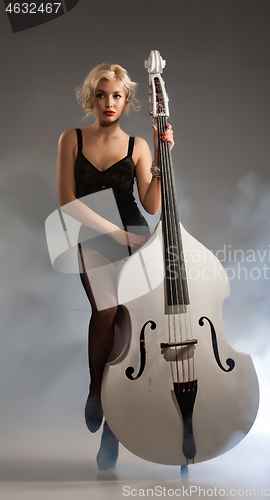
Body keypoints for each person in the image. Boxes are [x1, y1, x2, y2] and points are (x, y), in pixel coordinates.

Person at [56, 63, 174, 470]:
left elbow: (153, 204)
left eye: (117, 96)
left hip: (134, 232)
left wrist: (162, 157)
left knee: (129, 324)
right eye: (102, 95)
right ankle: (96, 391)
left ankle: (114, 428)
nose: (110, 103)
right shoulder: (70, 138)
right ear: (92, 97)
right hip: (93, 235)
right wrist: (116, 234)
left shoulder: (138, 144)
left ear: (128, 100)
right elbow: (68, 202)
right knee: (105, 311)